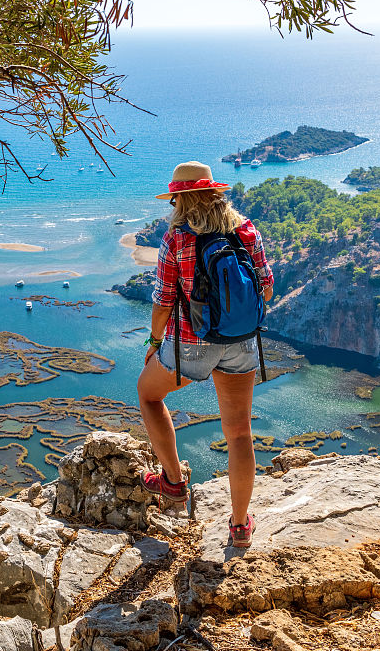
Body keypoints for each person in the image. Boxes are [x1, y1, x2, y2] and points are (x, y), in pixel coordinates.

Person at [137, 160, 274, 548]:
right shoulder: (245, 230)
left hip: (191, 342)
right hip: (242, 342)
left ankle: (174, 483)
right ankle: (239, 525)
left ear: (180, 200)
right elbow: (266, 289)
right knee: (240, 432)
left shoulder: (178, 238)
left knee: (149, 395)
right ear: (215, 192)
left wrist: (153, 343)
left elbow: (164, 300)